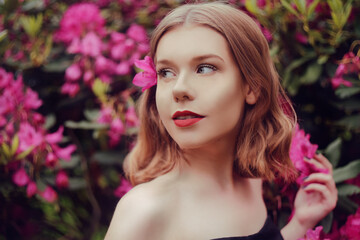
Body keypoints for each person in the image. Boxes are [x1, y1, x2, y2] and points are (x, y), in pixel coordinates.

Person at [105, 2, 337, 240]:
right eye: (166, 72)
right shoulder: (143, 211)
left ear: (252, 86)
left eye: (204, 68)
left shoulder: (253, 182)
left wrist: (301, 222)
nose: (179, 89)